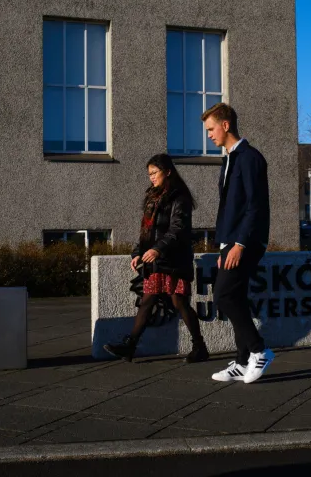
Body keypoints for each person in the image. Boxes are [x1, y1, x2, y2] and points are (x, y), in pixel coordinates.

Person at [103, 154, 209, 364]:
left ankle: (199, 346)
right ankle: (130, 346)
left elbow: (178, 229)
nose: (151, 177)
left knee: (179, 302)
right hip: (157, 261)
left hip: (174, 260)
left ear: (168, 171)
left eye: (155, 172)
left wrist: (158, 250)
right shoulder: (153, 197)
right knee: (148, 300)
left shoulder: (180, 197)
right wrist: (137, 254)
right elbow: (146, 232)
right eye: (149, 173)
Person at [202, 103, 273, 384]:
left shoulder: (250, 158)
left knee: (223, 296)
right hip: (231, 241)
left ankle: (260, 350)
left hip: (247, 241)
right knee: (236, 297)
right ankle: (243, 362)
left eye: (211, 129)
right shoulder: (230, 159)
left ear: (226, 125)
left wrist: (240, 244)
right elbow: (230, 208)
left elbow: (256, 207)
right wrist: (224, 246)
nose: (208, 135)